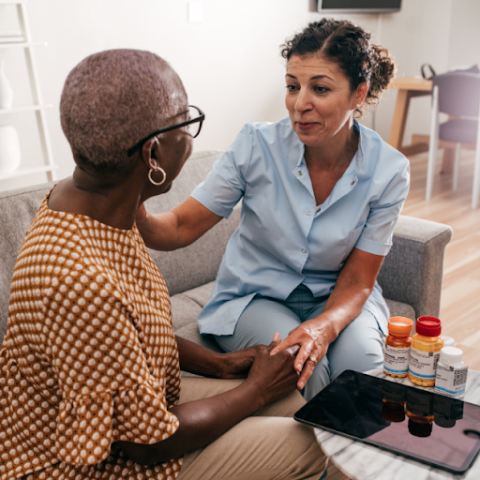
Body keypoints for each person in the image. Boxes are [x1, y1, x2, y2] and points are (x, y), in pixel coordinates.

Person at [0, 49, 326, 480]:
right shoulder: (80, 283)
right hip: (84, 462)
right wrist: (256, 388)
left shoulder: (94, 203)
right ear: (152, 154)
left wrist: (222, 365)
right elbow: (146, 444)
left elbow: (132, 337)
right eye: (186, 122)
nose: (191, 137)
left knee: (297, 403)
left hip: (134, 408)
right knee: (311, 441)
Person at [136, 19, 410, 401]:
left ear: (358, 93)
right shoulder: (255, 145)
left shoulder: (389, 170)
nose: (300, 105)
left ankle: (360, 461)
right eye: (292, 86)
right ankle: (316, 463)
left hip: (336, 295)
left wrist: (323, 327)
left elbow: (358, 281)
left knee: (362, 374)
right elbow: (181, 225)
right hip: (254, 297)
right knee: (300, 369)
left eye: (320, 88)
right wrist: (129, 198)